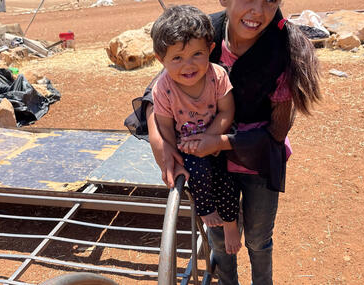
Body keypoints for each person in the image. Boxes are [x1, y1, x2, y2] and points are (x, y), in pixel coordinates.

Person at [124, 0, 321, 284]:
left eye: (269, 1)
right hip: (208, 160)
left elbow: (277, 131)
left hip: (257, 159)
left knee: (257, 239)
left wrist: (219, 141)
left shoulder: (283, 48)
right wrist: (158, 140)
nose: (257, 11)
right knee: (219, 238)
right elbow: (159, 86)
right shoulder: (203, 33)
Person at [150, 5, 241, 254]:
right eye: (177, 58)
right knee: (197, 175)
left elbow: (227, 112)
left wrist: (211, 139)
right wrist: (174, 153)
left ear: (211, 49)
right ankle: (206, 209)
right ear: (161, 59)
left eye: (196, 54)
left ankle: (232, 223)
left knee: (227, 178)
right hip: (187, 146)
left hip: (216, 137)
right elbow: (165, 126)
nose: (188, 66)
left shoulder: (218, 76)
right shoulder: (163, 88)